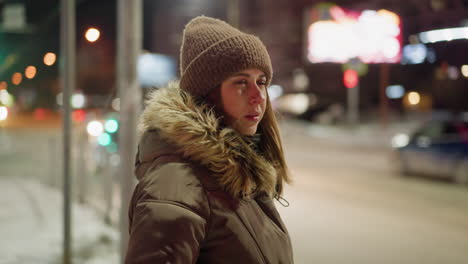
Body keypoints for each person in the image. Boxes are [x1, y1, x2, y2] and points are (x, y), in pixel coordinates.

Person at [125, 16, 294, 264]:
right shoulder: (176, 186)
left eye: (261, 82)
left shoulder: (236, 171)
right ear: (208, 93)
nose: (258, 96)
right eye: (241, 83)